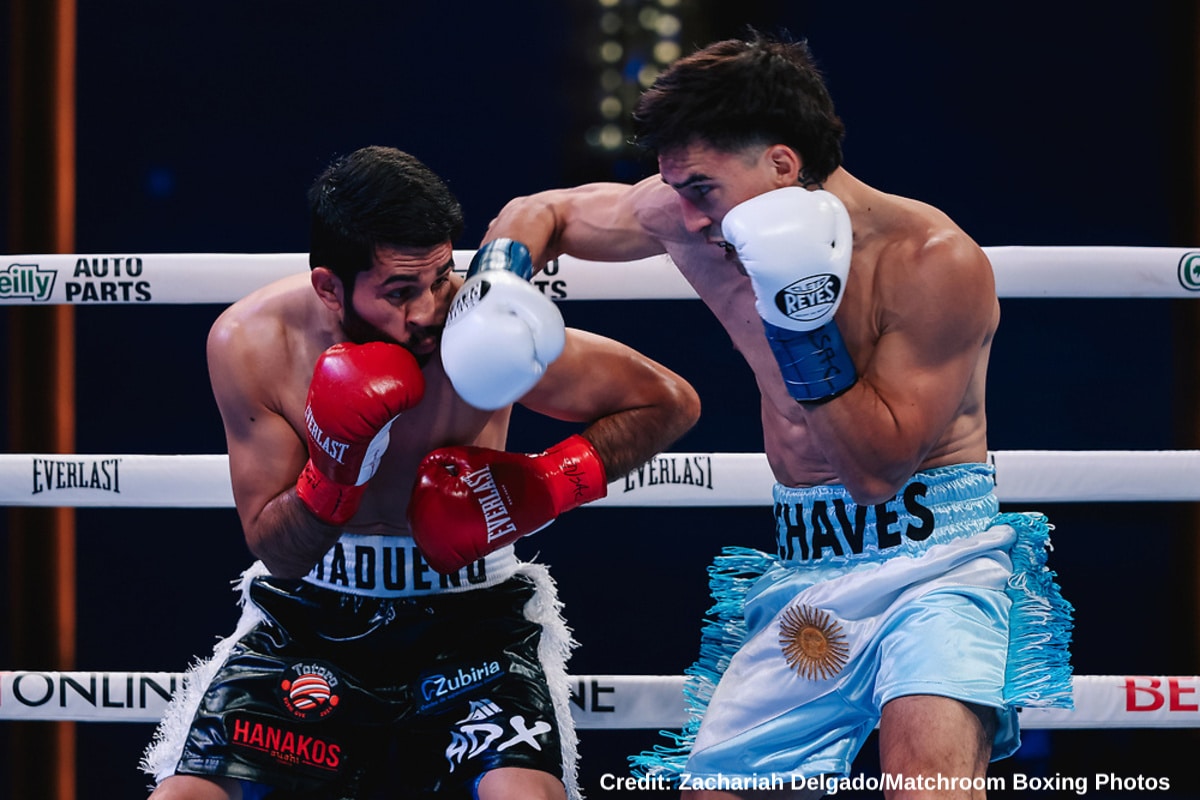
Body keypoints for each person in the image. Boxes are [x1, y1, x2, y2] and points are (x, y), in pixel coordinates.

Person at [476, 32, 1072, 799]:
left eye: (701, 189)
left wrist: (801, 325)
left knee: (927, 788)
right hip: (809, 565)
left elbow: (874, 472)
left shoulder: (930, 260)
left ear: (782, 165)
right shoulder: (693, 213)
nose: (686, 220)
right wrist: (498, 280)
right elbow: (544, 209)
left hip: (938, 564)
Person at [139, 145, 701, 800]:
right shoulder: (254, 343)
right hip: (309, 620)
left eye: (439, 278)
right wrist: (336, 468)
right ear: (329, 287)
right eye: (400, 292)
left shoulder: (480, 328)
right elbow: (276, 550)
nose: (430, 310)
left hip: (474, 624)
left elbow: (667, 401)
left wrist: (546, 482)